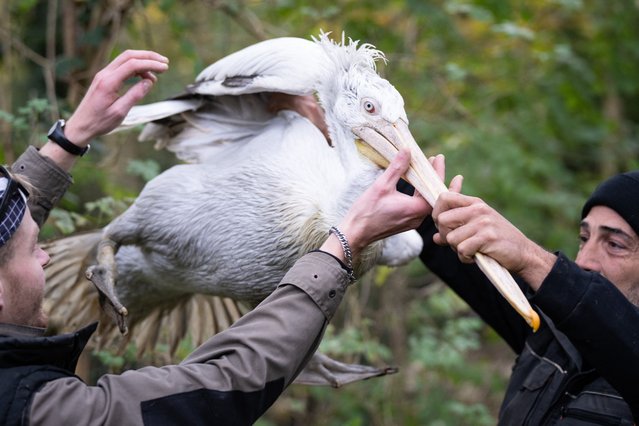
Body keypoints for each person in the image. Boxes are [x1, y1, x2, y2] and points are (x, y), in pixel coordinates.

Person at [0, 50, 433, 425]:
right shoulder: (37, 410)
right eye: (31, 251)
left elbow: (13, 226)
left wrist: (70, 138)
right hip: (166, 241)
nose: (45, 256)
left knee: (404, 246)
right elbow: (216, 393)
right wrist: (345, 242)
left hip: (208, 259)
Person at [419, 157, 639, 424]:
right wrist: (414, 190)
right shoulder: (547, 330)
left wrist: (529, 257)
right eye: (584, 238)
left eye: (615, 244)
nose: (584, 262)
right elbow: (451, 246)